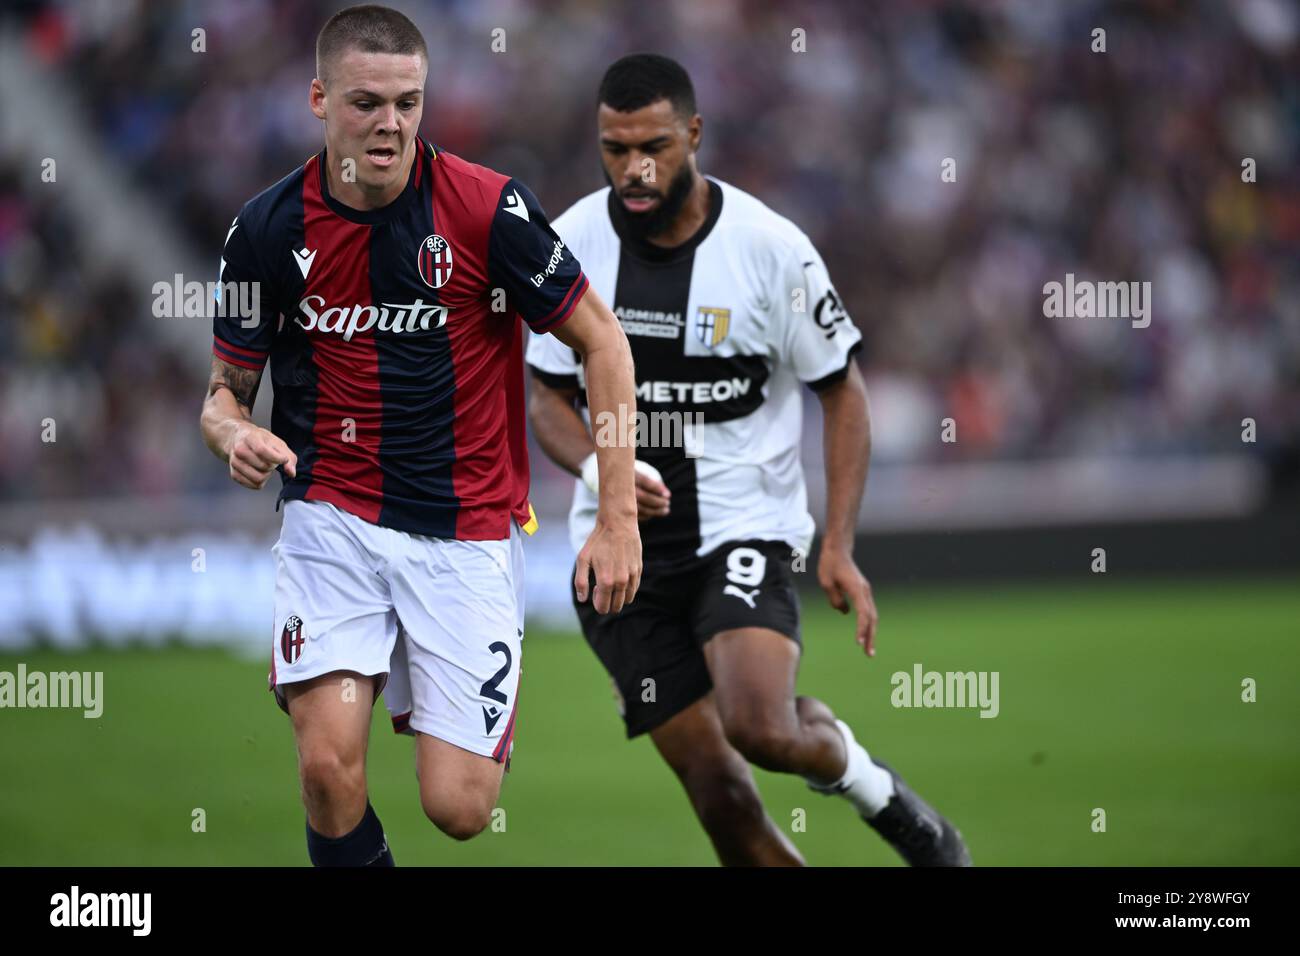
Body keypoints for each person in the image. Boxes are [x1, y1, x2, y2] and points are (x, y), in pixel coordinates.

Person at [199, 4, 640, 866]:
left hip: (467, 528)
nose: (390, 123)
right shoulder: (264, 230)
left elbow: (604, 341)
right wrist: (231, 436)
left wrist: (616, 516)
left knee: (460, 808)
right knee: (328, 769)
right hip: (332, 512)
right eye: (367, 102)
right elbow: (223, 396)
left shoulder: (489, 210)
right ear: (319, 99)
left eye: (408, 102)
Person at [526, 53, 969, 866]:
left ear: (694, 133)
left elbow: (843, 392)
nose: (634, 168)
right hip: (619, 555)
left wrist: (836, 543)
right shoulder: (571, 243)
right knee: (722, 798)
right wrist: (601, 471)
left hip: (743, 523)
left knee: (761, 729)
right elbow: (547, 398)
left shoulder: (773, 250)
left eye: (653, 145)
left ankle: (877, 791)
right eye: (615, 148)